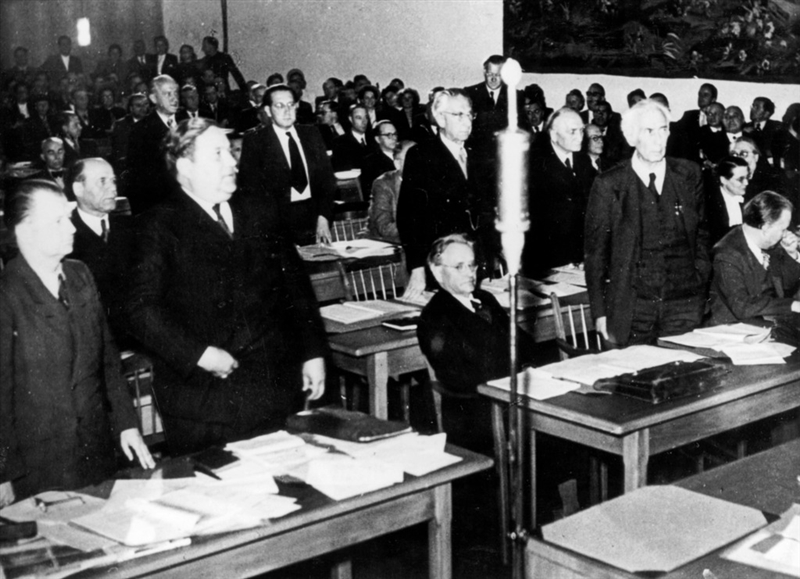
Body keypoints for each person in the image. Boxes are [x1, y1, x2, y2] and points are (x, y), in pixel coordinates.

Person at [125, 118, 328, 456]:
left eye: (231, 152)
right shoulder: (158, 225)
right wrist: (198, 355)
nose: (232, 162)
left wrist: (312, 352)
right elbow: (140, 310)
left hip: (274, 389)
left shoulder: (260, 209)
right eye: (217, 154)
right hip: (205, 401)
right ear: (185, 166)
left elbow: (296, 288)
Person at [0, 180, 153, 506]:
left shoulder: (80, 274)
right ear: (25, 231)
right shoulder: (7, 293)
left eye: (68, 217)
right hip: (37, 467)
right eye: (57, 221)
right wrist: (4, 474)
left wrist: (126, 425)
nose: (71, 228)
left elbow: (108, 359)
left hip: (97, 451)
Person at [585, 99, 711, 347]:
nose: (658, 140)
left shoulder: (689, 174)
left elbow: (702, 234)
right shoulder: (609, 184)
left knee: (684, 368)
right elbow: (595, 254)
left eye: (663, 130)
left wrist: (699, 278)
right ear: (631, 137)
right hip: (633, 306)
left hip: (684, 304)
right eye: (649, 131)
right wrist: (599, 312)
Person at [417, 234, 536, 450]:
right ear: (437, 271)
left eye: (472, 265)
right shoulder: (434, 317)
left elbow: (524, 343)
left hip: (508, 395)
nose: (469, 273)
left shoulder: (485, 299)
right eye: (459, 266)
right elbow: (460, 378)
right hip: (476, 413)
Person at [397, 88, 481, 299]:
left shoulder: (480, 152)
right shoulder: (421, 156)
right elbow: (409, 216)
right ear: (441, 119)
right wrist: (417, 268)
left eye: (469, 114)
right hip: (442, 263)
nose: (467, 122)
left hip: (476, 261)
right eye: (458, 115)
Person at [238, 84, 336, 245]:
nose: (287, 111)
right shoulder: (255, 141)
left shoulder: (311, 134)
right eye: (279, 105)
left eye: (291, 105)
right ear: (268, 110)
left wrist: (323, 217)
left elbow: (327, 180)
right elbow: (250, 190)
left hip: (314, 218)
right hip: (277, 226)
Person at [67, 158, 134, 345]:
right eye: (102, 181)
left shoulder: (132, 228)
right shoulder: (65, 237)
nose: (113, 189)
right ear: (78, 189)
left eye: (113, 181)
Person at [708, 191, 800, 325]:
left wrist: (792, 253)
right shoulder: (726, 254)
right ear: (766, 228)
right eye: (783, 229)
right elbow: (741, 306)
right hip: (734, 328)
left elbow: (785, 287)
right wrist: (792, 305)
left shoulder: (770, 243)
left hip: (767, 323)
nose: (786, 234)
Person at [525, 107, 596, 275]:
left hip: (579, 256)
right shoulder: (535, 164)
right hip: (547, 258)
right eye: (572, 131)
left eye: (581, 130)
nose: (580, 137)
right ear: (553, 135)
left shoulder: (582, 160)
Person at [126, 75, 179, 214]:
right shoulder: (141, 130)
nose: (174, 98)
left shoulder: (187, 123)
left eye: (175, 93)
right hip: (161, 205)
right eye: (167, 94)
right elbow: (139, 179)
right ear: (154, 98)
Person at [368, 139, 415, 243]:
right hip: (386, 243)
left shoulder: (428, 181)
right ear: (397, 164)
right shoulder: (384, 184)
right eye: (412, 159)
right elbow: (384, 227)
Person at [706, 156, 750, 247]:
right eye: (740, 179)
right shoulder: (709, 203)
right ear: (724, 180)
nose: (746, 183)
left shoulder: (751, 197)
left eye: (747, 177)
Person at [359, 119, 398, 199]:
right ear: (378, 139)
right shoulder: (370, 162)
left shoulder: (405, 154)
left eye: (394, 134)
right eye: (388, 135)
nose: (393, 138)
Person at [331, 103, 374, 171]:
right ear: (350, 119)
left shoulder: (374, 139)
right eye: (359, 118)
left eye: (366, 117)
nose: (364, 122)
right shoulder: (340, 143)